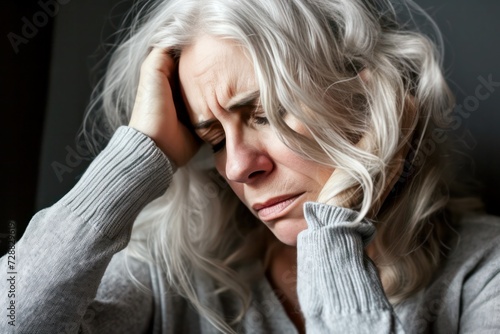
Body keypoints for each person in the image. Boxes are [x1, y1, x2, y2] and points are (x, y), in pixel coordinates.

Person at [2, 0, 500, 333]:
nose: (238, 166)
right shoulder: (175, 274)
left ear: (369, 101)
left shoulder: (483, 272)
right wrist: (135, 156)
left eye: (265, 113)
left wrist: (334, 235)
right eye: (212, 138)